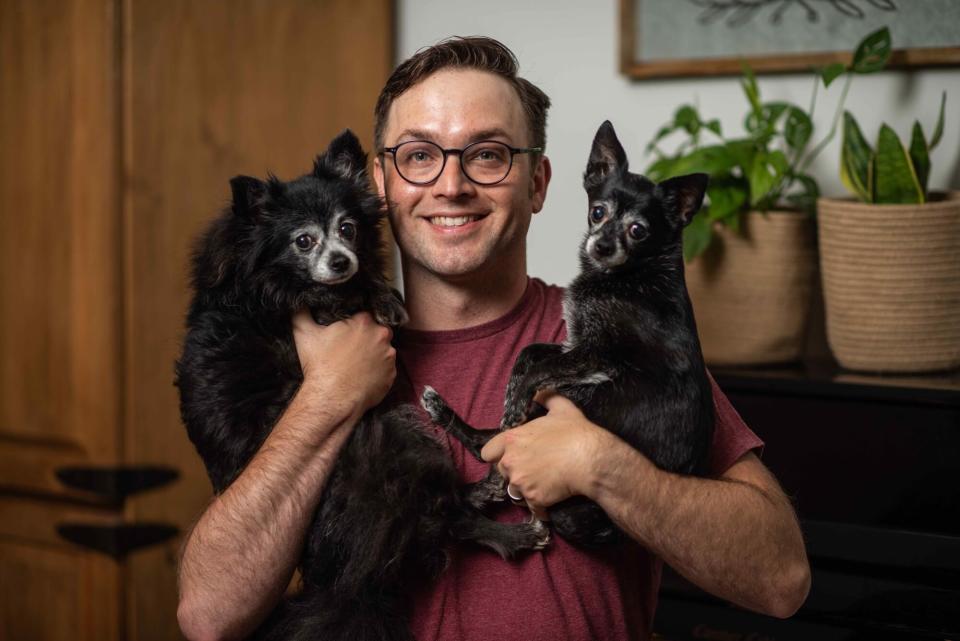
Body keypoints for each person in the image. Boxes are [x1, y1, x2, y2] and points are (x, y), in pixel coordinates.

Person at [177, 36, 810, 641]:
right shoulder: (299, 358)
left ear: (537, 184)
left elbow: (781, 580)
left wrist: (602, 466)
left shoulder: (619, 337)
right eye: (419, 156)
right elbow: (209, 617)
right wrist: (327, 395)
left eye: (488, 154)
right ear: (380, 185)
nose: (451, 185)